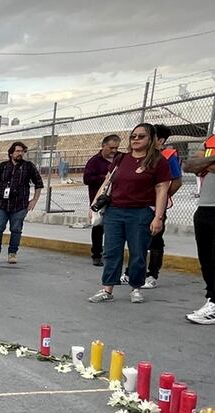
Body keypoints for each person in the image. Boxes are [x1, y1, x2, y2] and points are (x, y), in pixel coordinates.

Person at [88, 123, 170, 304]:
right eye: (133, 136)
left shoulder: (158, 161)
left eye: (141, 136)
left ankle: (136, 287)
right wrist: (94, 204)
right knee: (111, 251)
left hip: (141, 213)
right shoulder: (121, 159)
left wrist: (158, 217)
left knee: (138, 252)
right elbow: (107, 182)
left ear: (151, 139)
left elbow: (162, 190)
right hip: (115, 212)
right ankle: (107, 289)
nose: (136, 139)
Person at [128, 124, 184, 289]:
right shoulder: (142, 156)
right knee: (135, 240)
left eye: (147, 136)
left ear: (159, 140)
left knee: (155, 240)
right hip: (138, 205)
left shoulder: (167, 157)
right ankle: (131, 271)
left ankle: (152, 274)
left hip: (155, 207)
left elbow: (177, 182)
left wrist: (162, 198)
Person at [0, 141, 43, 265]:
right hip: (2, 203)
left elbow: (39, 184)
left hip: (20, 204)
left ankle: (12, 253)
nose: (20, 153)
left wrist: (34, 200)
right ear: (11, 153)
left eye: (22, 151)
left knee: (16, 229)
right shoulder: (3, 166)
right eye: (17, 151)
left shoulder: (29, 166)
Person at [183, 137, 215, 324]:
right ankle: (211, 299)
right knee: (206, 259)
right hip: (204, 208)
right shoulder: (211, 140)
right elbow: (189, 165)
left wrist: (205, 162)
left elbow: (200, 164)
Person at [83, 134, 121, 266]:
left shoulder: (121, 158)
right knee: (98, 227)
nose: (114, 151)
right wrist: (105, 178)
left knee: (116, 228)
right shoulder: (94, 161)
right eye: (111, 148)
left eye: (116, 148)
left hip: (118, 199)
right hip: (99, 200)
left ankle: (113, 253)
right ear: (103, 146)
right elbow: (87, 179)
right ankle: (97, 254)